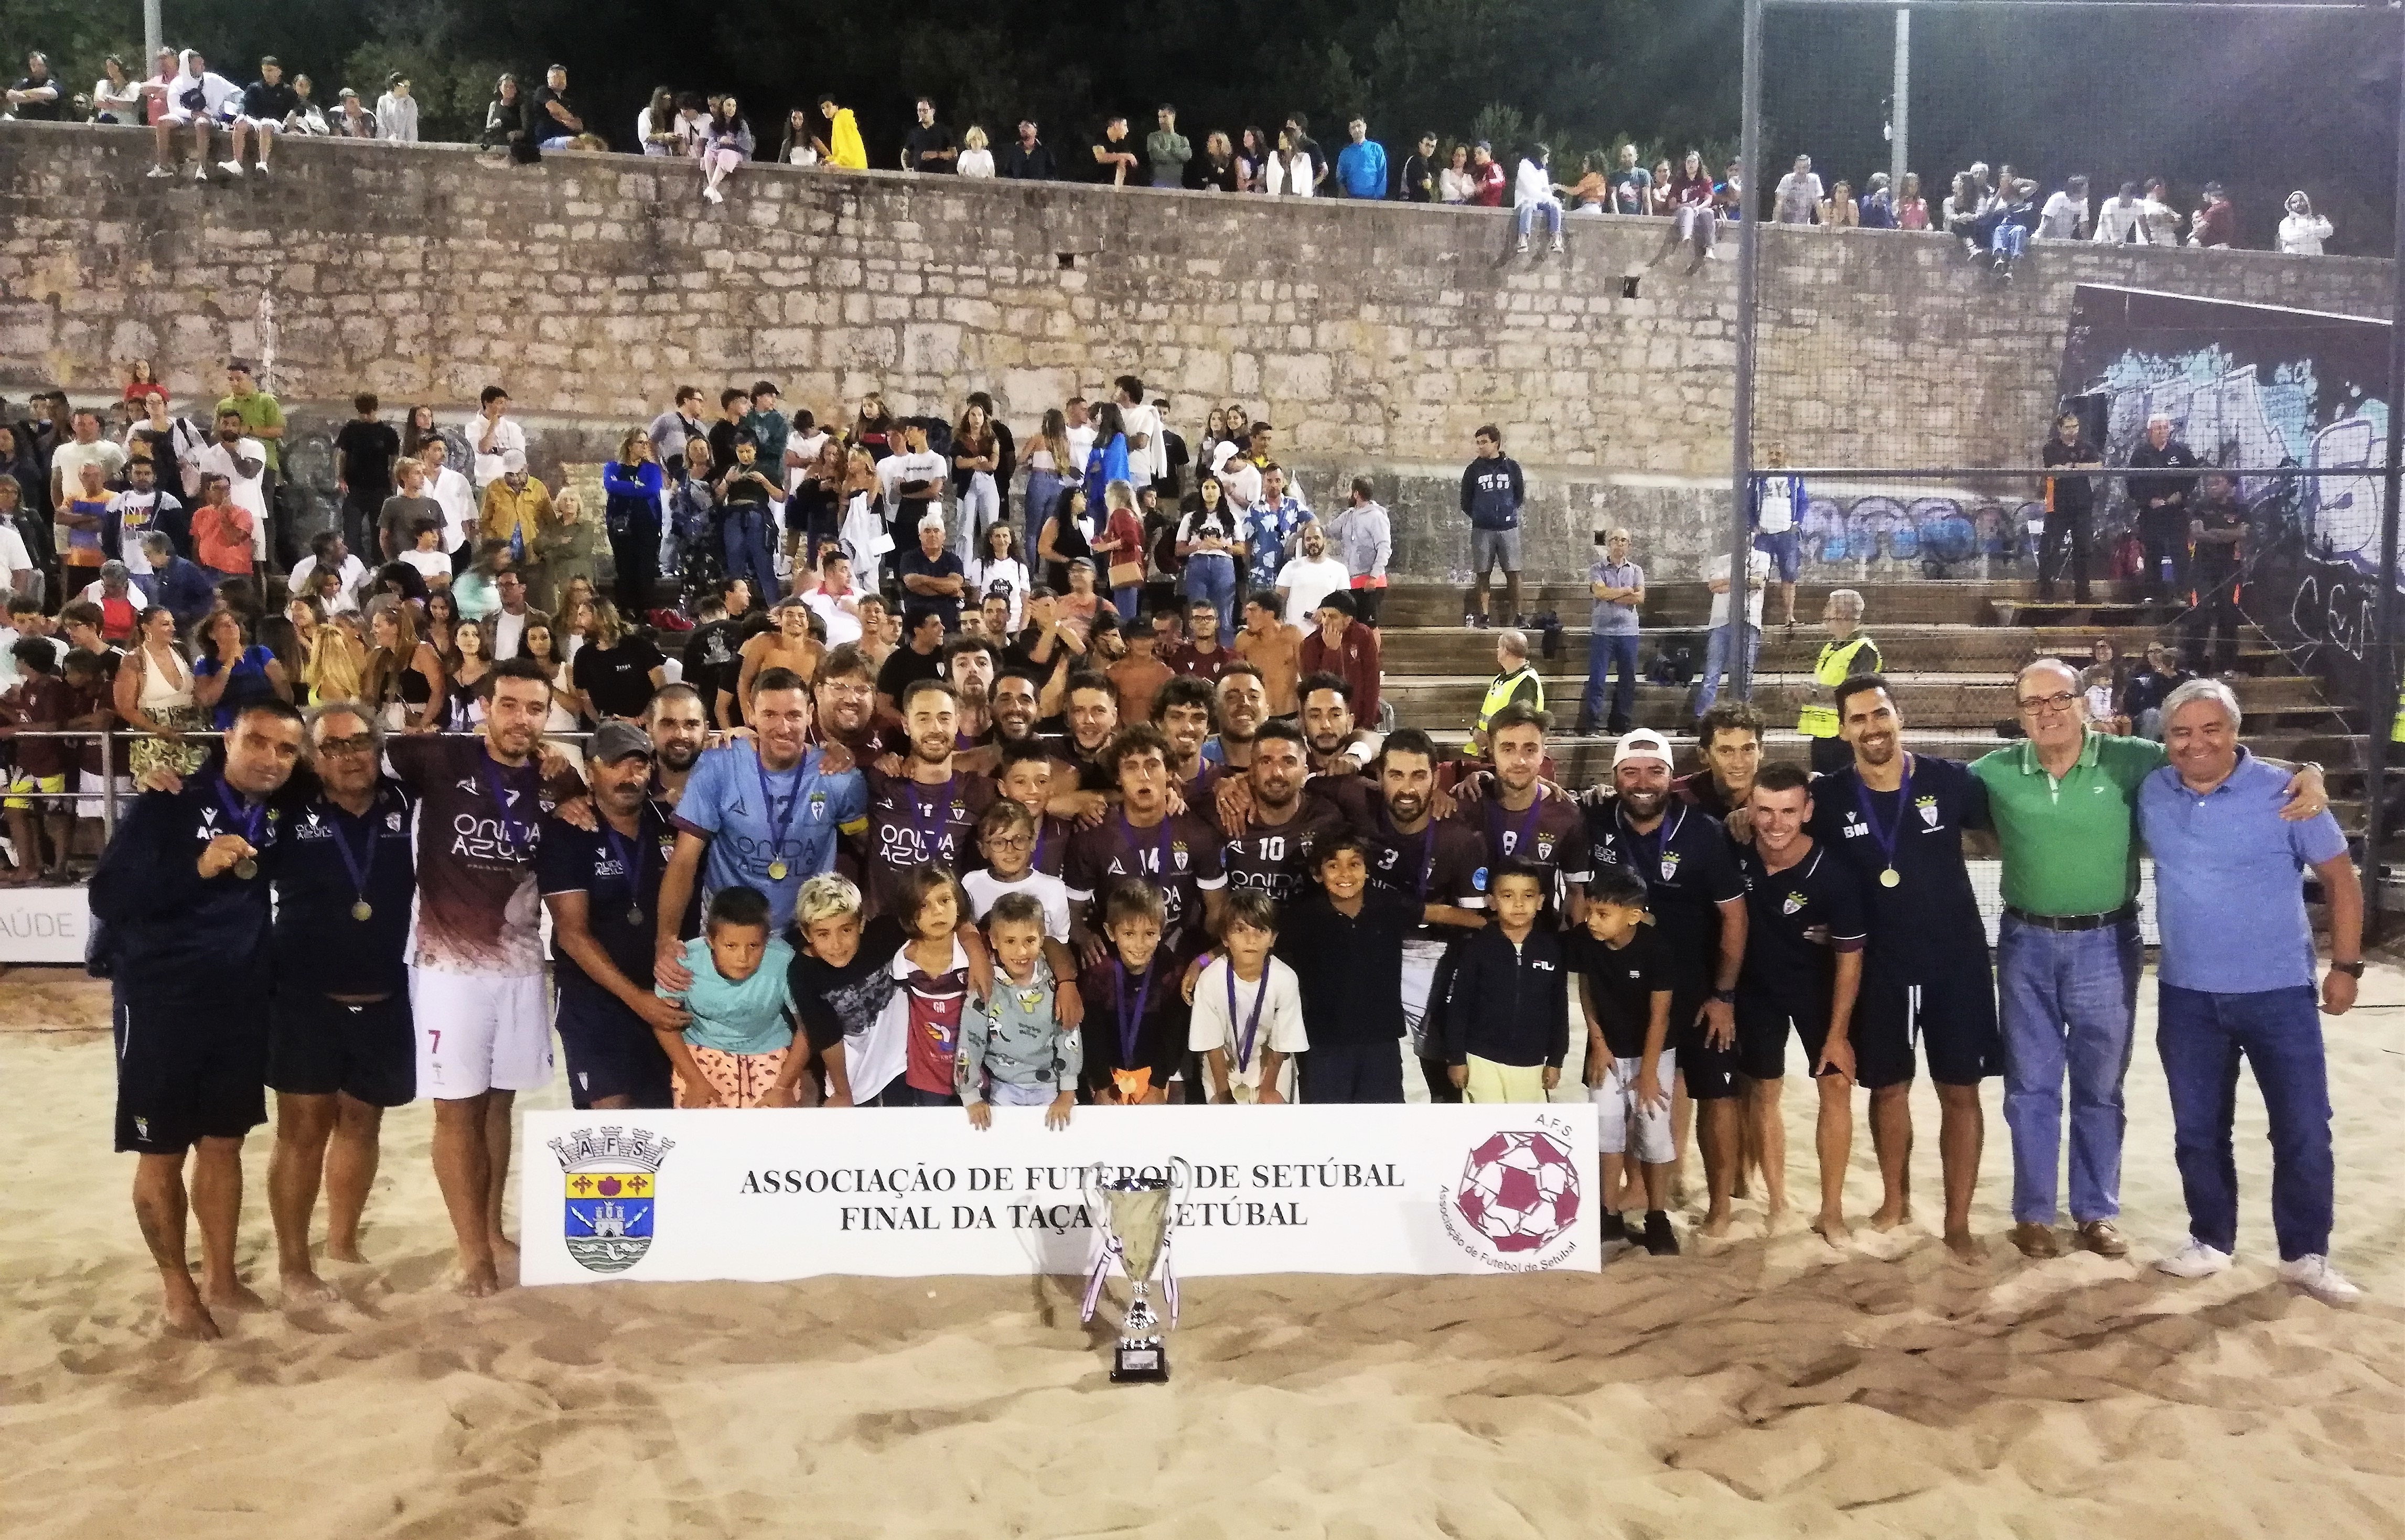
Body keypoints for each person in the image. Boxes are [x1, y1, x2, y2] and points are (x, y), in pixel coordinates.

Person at [2139, 680, 2362, 1303]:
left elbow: (2340, 880)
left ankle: (2304, 1254)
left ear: (2234, 733)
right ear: (2165, 739)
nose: (2195, 743)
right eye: (2180, 733)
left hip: (2279, 994)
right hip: (2186, 995)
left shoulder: (2284, 793)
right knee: (2197, 1130)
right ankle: (2209, 1241)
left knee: (2301, 1128)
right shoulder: (2152, 790)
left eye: (2211, 729)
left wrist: (2345, 966)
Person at [90, 697, 306, 1338]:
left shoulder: (281, 806)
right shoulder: (168, 800)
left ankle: (222, 1279)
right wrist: (197, 868)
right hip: (162, 1000)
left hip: (238, 999)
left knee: (224, 1143)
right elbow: (109, 895)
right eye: (257, 743)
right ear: (227, 739)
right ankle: (178, 1290)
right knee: (161, 1149)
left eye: (286, 750)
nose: (270, 759)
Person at [384, 659, 570, 1296]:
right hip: (447, 968)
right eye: (510, 705)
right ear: (485, 707)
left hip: (521, 966)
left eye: (535, 708)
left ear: (549, 714)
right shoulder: (436, 758)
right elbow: (346, 757)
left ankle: (491, 1231)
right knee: (455, 1107)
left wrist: (564, 779)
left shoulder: (556, 778)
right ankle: (471, 1254)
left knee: (499, 1102)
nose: (522, 719)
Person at [1808, 675, 1996, 1261]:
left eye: (1880, 713)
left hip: (1955, 961)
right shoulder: (1832, 796)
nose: (1872, 727)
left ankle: (1958, 1222)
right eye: (1858, 719)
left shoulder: (1949, 780)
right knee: (1887, 1088)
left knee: (1959, 1092)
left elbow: (2004, 824)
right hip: (1878, 966)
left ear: (1899, 716)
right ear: (1843, 731)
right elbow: (1781, 830)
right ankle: (1895, 1201)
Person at [261, 702, 418, 1301]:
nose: (349, 756)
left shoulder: (409, 804)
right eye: (332, 747)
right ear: (312, 758)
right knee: (302, 1129)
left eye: (360, 743)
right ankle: (294, 1264)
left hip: (387, 992)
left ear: (378, 747)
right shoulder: (288, 805)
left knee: (362, 1120)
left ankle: (343, 1241)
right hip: (304, 994)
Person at [1584, 729, 1748, 1234]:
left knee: (1713, 1094)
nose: (1642, 782)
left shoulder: (1702, 832)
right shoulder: (1594, 825)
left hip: (1695, 989)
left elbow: (1735, 918)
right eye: (1630, 771)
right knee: (1634, 1090)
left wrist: (1723, 994)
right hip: (1622, 989)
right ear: (1614, 778)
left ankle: (1719, 1206)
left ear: (1671, 777)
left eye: (1655, 771)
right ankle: (1639, 1188)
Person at [1730, 763, 1867, 1242]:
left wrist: (1837, 1034)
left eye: (1788, 810)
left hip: (1817, 991)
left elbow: (1851, 958)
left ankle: (1831, 1211)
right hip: (1756, 991)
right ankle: (1778, 1200)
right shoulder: (1737, 852)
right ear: (1750, 808)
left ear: (1807, 810)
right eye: (1765, 810)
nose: (1776, 822)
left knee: (1835, 1086)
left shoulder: (1834, 874)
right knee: (1763, 1091)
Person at [538, 720, 680, 1112]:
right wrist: (639, 1000)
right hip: (595, 1002)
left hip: (663, 996)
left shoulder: (670, 822)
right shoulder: (567, 831)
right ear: (590, 770)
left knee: (664, 1124)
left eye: (638, 765)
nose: (629, 776)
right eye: (616, 764)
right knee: (611, 1126)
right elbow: (572, 935)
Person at [1571, 867, 1679, 1255]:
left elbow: (1660, 1016)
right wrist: (1597, 1042)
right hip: (1606, 1050)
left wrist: (1649, 1072)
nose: (1592, 921)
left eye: (1603, 914)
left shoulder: (1657, 948)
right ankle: (1609, 1213)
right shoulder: (1586, 940)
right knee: (1606, 1129)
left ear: (1633, 915)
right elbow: (1586, 988)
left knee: (1653, 1128)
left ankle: (1657, 1216)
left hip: (1653, 1051)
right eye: (1591, 911)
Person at [1276, 834, 1413, 1102]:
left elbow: (1437, 913)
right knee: (1327, 1130)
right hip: (1323, 1044)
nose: (1345, 873)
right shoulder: (1302, 917)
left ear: (1367, 871)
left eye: (1354, 864)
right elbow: (1258, 938)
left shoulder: (1387, 905)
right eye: (1333, 865)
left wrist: (1498, 926)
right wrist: (1205, 959)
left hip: (1380, 1041)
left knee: (1383, 1126)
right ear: (1318, 874)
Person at [1441, 863, 1567, 1102]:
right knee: (1486, 1133)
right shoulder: (1477, 947)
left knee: (1524, 1133)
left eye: (1528, 896)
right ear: (1492, 901)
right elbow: (1459, 1005)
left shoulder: (1551, 949)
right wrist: (1456, 1058)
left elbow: (1559, 1008)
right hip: (1480, 1059)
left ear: (1540, 901)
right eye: (1508, 896)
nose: (1519, 904)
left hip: (1531, 1062)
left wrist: (1556, 1059)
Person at [958, 891, 1078, 1126]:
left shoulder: (1056, 985)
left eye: (1030, 941)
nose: (1021, 952)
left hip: (1051, 1089)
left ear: (1042, 938)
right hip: (1003, 1089)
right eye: (1010, 941)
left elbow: (1069, 1037)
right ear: (994, 941)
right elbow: (970, 1042)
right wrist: (970, 1095)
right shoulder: (985, 987)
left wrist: (1067, 1092)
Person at [1188, 893, 1306, 1103]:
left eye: (1261, 931)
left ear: (1273, 938)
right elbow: (1211, 1044)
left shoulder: (1285, 979)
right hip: (1222, 1071)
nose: (1251, 940)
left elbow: (1283, 1041)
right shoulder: (1210, 980)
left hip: (1273, 1071)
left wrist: (1268, 1088)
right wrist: (1223, 1092)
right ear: (1225, 938)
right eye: (1241, 930)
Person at [1799, 589, 1880, 774]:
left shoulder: (1863, 649)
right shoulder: (1831, 647)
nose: (1825, 614)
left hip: (1844, 736)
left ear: (1842, 614)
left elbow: (1854, 692)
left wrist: (1812, 693)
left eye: (1829, 607)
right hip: (1824, 734)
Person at [1693, 540, 1770, 720]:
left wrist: (1728, 583)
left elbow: (1758, 583)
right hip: (1721, 622)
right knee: (1711, 675)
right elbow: (1714, 586)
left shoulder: (1762, 557)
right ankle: (1702, 720)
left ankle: (1742, 719)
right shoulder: (1721, 560)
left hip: (1748, 622)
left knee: (1745, 676)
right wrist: (1744, 582)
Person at [2126, 414, 2200, 602]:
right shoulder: (2140, 455)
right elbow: (2132, 484)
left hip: (2175, 513)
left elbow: (2193, 475)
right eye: (2158, 428)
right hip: (2151, 514)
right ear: (2150, 431)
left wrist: (2181, 495)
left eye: (2165, 427)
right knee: (2152, 553)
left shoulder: (2181, 452)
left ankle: (2183, 592)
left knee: (2180, 552)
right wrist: (2149, 500)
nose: (2162, 431)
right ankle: (2155, 594)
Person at [1459, 425, 1525, 628]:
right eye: (1478, 443)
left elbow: (1519, 495)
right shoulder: (1473, 470)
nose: (1480, 447)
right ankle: (1484, 616)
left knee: (1513, 573)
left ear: (1496, 443)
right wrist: (1481, 515)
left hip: (1508, 528)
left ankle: (1519, 616)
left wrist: (1506, 513)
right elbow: (1465, 501)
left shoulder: (1512, 467)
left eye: (1484, 442)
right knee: (1483, 573)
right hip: (1482, 529)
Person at [1583, 527, 1644, 735]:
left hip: (1628, 632)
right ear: (1609, 543)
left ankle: (1621, 725)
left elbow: (1639, 598)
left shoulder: (1636, 570)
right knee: (1598, 679)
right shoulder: (1597, 568)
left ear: (1629, 545)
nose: (1620, 543)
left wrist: (1612, 595)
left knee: (1627, 680)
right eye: (1616, 539)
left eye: (1624, 540)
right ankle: (1592, 724)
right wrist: (1626, 591)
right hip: (1603, 631)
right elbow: (1599, 592)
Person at [2185, 472, 2247, 676]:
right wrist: (2227, 534)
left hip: (2230, 568)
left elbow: (2244, 533)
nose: (2212, 486)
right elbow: (2198, 533)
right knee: (2200, 611)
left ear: (2229, 485)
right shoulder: (2200, 506)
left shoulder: (2240, 508)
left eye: (2217, 482)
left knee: (2229, 613)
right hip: (2202, 568)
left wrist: (2213, 534)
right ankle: (2193, 664)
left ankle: (2225, 665)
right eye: (2209, 483)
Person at [2039, 412, 2103, 603]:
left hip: (2082, 505)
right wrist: (2078, 468)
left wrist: (2073, 466)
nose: (2072, 431)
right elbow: (2055, 470)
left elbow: (2098, 466)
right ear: (2060, 429)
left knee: (2084, 549)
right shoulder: (2051, 448)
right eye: (2068, 427)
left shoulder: (2087, 447)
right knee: (2051, 548)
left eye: (2075, 426)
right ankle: (2046, 592)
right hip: (2058, 505)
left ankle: (2083, 594)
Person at [1297, 592, 1381, 728]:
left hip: (1360, 720)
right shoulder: (1311, 643)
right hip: (1326, 723)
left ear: (1348, 620)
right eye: (1324, 616)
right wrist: (1331, 651)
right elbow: (1315, 686)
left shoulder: (1363, 636)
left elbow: (1372, 681)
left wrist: (1368, 722)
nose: (1326, 622)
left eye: (1333, 617)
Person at [1325, 478, 1391, 628]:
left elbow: (1384, 547)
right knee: (1355, 627)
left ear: (1356, 493)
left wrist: (1374, 577)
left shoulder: (1377, 517)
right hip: (1352, 581)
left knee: (1370, 627)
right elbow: (1330, 530)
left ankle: (1372, 652)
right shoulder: (1349, 515)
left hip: (1371, 582)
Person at [1468, 628, 1543, 755]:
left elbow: (1517, 723)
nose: (1497, 651)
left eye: (1499, 647)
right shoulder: (1500, 679)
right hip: (1491, 750)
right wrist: (1476, 729)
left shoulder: (1526, 682)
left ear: (1506, 651)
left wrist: (1491, 741)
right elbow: (1486, 710)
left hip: (1509, 753)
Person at [1335, 117, 1387, 200]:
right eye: (1353, 128)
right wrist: (1345, 197)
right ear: (1350, 131)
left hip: (1374, 200)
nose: (1357, 130)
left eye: (1359, 126)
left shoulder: (1376, 149)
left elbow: (1382, 174)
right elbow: (1340, 178)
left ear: (1365, 126)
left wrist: (1378, 197)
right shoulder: (1345, 153)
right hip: (1351, 200)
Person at [2278, 191, 2333, 256]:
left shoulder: (2318, 219)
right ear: (2290, 206)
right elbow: (2290, 237)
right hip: (2293, 259)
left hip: (2315, 260)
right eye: (2294, 202)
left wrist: (2304, 232)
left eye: (2301, 201)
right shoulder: (2286, 222)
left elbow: (2328, 231)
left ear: (2306, 202)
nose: (2298, 204)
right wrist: (2315, 233)